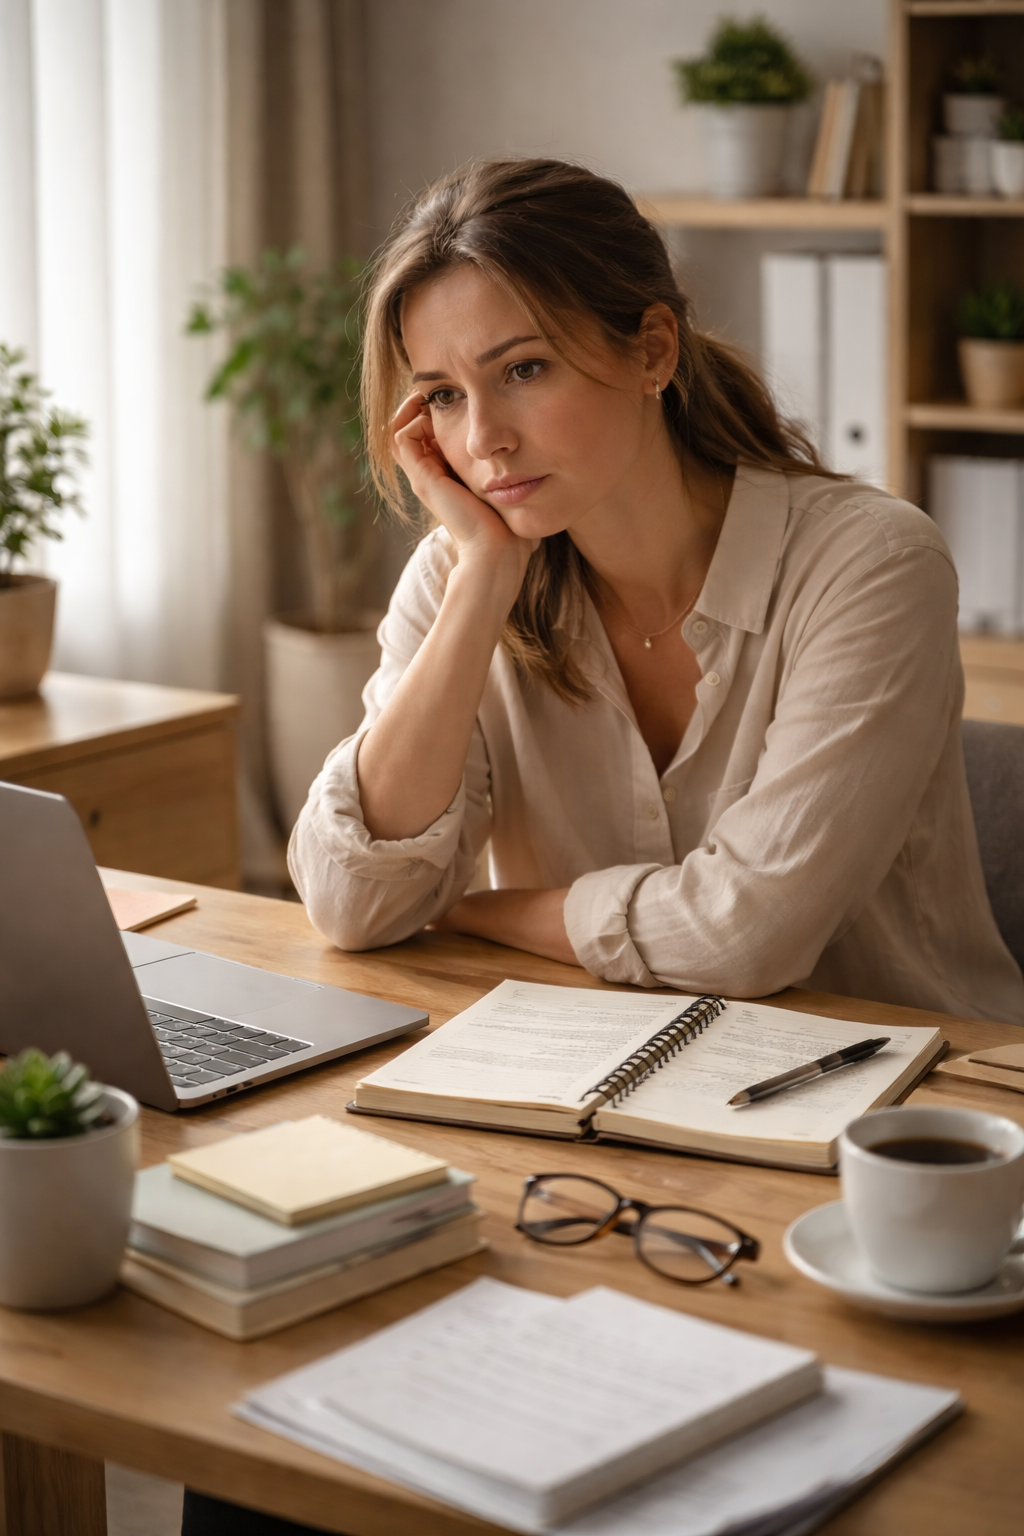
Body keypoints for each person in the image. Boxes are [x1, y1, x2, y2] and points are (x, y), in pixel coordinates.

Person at [288, 154, 1024, 1022]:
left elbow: (749, 936)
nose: (483, 438)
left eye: (524, 370)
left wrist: (473, 908)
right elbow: (352, 906)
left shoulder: (871, 566)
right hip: (592, 1068)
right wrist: (483, 578)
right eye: (444, 395)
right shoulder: (463, 573)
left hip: (902, 1101)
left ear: (652, 351)